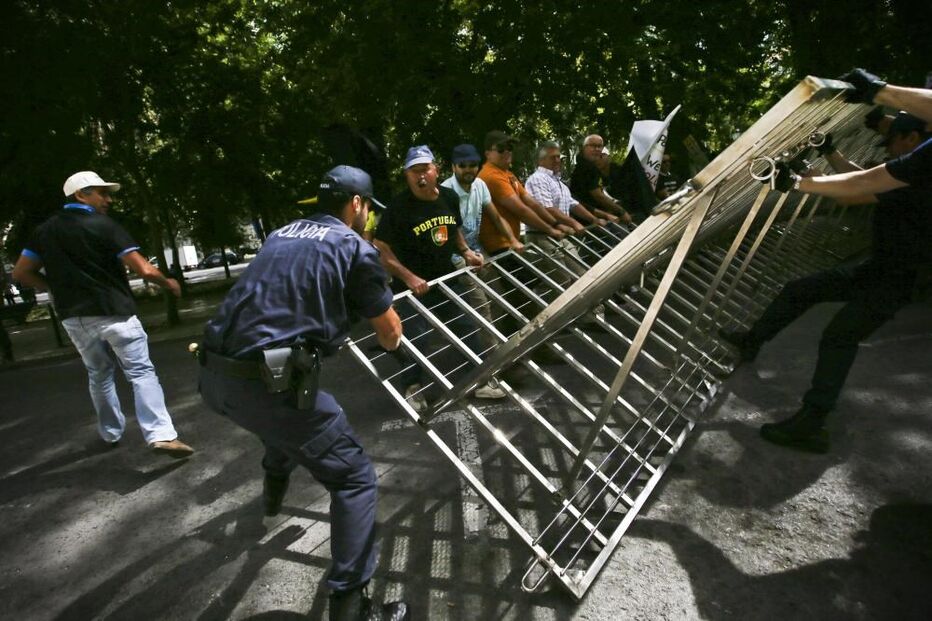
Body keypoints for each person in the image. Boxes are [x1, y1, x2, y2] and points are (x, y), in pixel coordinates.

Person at [198, 166, 409, 621]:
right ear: (357, 204)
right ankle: (351, 604)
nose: (368, 216)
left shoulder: (280, 234)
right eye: (368, 208)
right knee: (354, 478)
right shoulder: (355, 247)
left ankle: (274, 488)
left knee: (284, 420)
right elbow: (390, 335)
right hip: (263, 386)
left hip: (213, 377)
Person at [721, 111, 931, 454]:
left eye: (891, 141)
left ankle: (813, 422)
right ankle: (752, 340)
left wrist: (803, 182)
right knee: (801, 290)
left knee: (839, 336)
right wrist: (829, 152)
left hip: (900, 277)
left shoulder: (920, 173)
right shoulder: (913, 166)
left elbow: (855, 192)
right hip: (879, 268)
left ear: (910, 139)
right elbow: (864, 178)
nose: (888, 149)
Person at [12, 171, 193, 456]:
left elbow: (21, 272)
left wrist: (53, 288)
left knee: (98, 373)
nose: (108, 199)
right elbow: (143, 269)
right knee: (141, 372)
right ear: (80, 194)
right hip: (114, 313)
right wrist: (168, 283)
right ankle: (161, 434)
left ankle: (110, 433)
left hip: (75, 318)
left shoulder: (44, 231)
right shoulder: (104, 225)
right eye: (101, 192)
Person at [374, 145, 506, 409]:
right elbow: (380, 248)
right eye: (414, 171)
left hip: (446, 279)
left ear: (436, 170)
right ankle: (412, 388)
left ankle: (481, 381)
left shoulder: (448, 197)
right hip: (413, 289)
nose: (421, 176)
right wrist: (408, 276)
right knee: (416, 340)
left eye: (425, 169)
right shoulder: (398, 208)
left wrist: (466, 251)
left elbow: (452, 228)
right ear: (407, 175)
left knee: (468, 329)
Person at [440, 143, 523, 348]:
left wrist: (513, 240)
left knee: (498, 297)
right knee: (481, 304)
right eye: (463, 165)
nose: (469, 169)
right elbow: (450, 229)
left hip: (477, 250)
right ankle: (492, 358)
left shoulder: (480, 186)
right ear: (454, 167)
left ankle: (492, 346)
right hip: (455, 255)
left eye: (473, 165)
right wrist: (465, 254)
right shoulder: (446, 190)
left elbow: (495, 216)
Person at [525, 141, 610, 321]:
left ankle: (591, 317)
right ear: (541, 160)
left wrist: (593, 219)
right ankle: (538, 315)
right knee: (560, 280)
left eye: (559, 157)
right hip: (543, 236)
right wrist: (574, 223)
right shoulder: (538, 179)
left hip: (561, 235)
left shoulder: (559, 182)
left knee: (583, 274)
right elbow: (547, 208)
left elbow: (573, 204)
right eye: (553, 157)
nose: (558, 160)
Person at [569, 134, 634, 225]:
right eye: (593, 146)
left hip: (598, 216)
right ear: (584, 147)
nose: (597, 149)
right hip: (591, 220)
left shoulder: (591, 166)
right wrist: (621, 212)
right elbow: (598, 196)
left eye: (599, 146)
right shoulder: (586, 167)